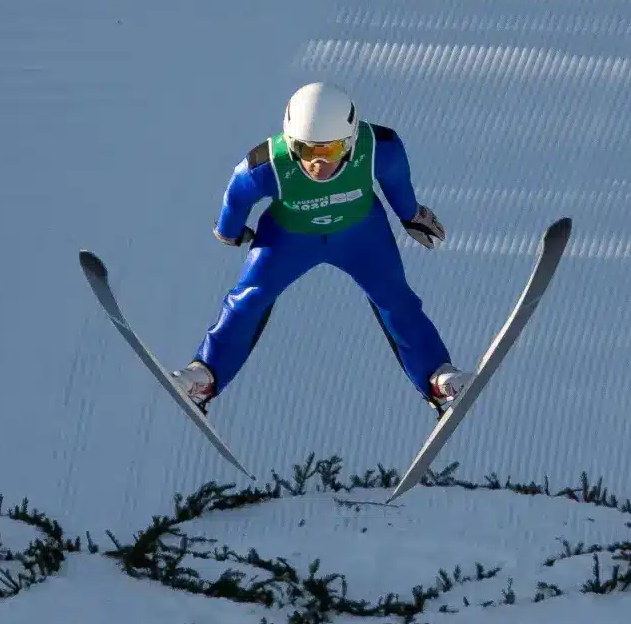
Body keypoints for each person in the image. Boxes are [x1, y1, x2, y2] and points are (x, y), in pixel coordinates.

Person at [169, 82, 469, 417]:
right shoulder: (266, 163)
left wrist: (412, 215)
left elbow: (397, 183)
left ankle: (438, 379)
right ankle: (204, 377)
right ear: (290, 140)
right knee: (249, 298)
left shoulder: (380, 147)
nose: (317, 162)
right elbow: (237, 196)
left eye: (330, 150)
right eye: (306, 149)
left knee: (396, 299)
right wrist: (230, 231)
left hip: (361, 236)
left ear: (351, 140)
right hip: (290, 238)